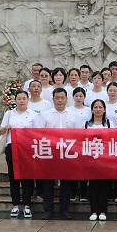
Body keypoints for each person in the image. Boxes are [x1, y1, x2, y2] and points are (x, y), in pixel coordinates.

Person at [39, 88, 81, 220]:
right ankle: (48, 210)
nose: (60, 100)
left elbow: (78, 135)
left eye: (62, 98)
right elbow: (39, 134)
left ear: (67, 99)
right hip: (50, 153)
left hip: (67, 154)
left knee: (66, 184)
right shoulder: (45, 115)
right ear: (53, 99)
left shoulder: (73, 115)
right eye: (57, 98)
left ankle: (64, 209)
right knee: (48, 183)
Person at [0, 90, 37, 219]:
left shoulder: (33, 115)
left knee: (27, 177)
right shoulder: (9, 114)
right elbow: (0, 130)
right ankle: (15, 205)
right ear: (15, 100)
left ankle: (27, 206)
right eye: (19, 99)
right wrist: (6, 128)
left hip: (27, 149)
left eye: (24, 98)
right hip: (12, 147)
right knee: (13, 176)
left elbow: (38, 132)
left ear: (28, 100)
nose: (21, 101)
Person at [84, 99, 111, 221]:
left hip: (105, 160)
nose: (98, 109)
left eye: (100, 107)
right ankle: (93, 211)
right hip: (91, 160)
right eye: (96, 107)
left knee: (104, 186)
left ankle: (103, 211)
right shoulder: (86, 124)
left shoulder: (109, 124)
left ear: (104, 109)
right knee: (93, 186)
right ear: (92, 109)